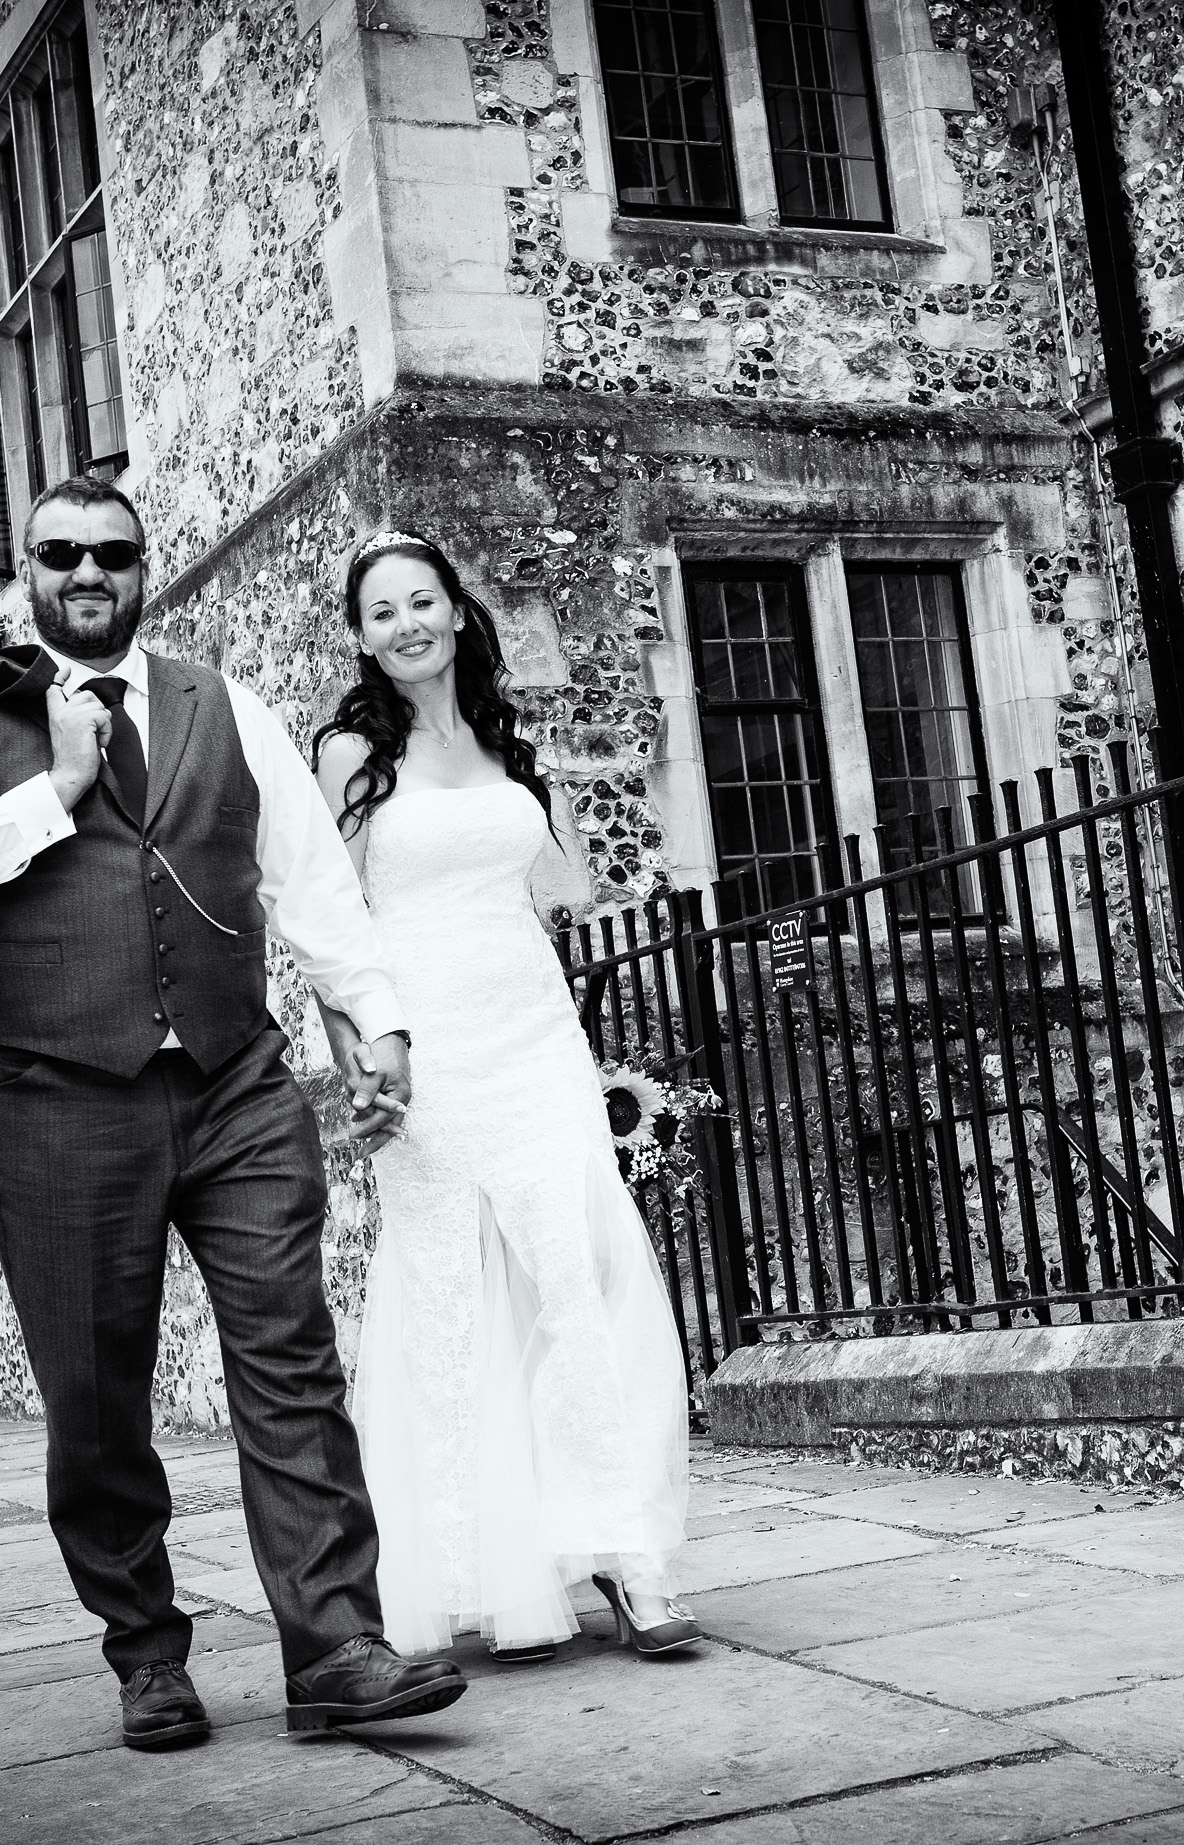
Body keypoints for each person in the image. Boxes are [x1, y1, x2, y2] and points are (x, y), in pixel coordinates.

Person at [0, 476, 464, 1749]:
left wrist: (383, 1024)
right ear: (28, 570)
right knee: (96, 1404)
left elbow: (307, 882)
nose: (88, 572)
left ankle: (337, 1651)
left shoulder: (221, 704)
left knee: (292, 1368)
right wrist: (57, 788)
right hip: (58, 1102)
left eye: (114, 554)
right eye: (61, 554)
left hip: (236, 1084)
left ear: (147, 568)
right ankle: (147, 1653)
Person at [311, 529, 695, 1665]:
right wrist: (361, 1057)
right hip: (424, 1051)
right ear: (361, 637)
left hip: (534, 1037)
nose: (407, 624)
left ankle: (630, 1558)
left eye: (423, 601)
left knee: (577, 1274)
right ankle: (480, 1568)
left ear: (457, 612)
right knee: (448, 1293)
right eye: (382, 612)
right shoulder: (345, 754)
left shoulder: (507, 744)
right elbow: (333, 932)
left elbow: (558, 891)